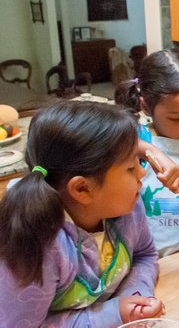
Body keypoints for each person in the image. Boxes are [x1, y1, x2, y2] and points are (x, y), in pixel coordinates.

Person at [0, 101, 165, 327]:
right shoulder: (37, 244)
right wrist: (112, 313)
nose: (142, 172)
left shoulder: (127, 206)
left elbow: (144, 255)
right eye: (130, 168)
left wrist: (137, 299)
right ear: (82, 189)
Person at [115, 48, 179, 257]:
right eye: (176, 118)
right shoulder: (135, 141)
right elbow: (109, 142)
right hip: (148, 262)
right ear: (146, 107)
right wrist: (151, 151)